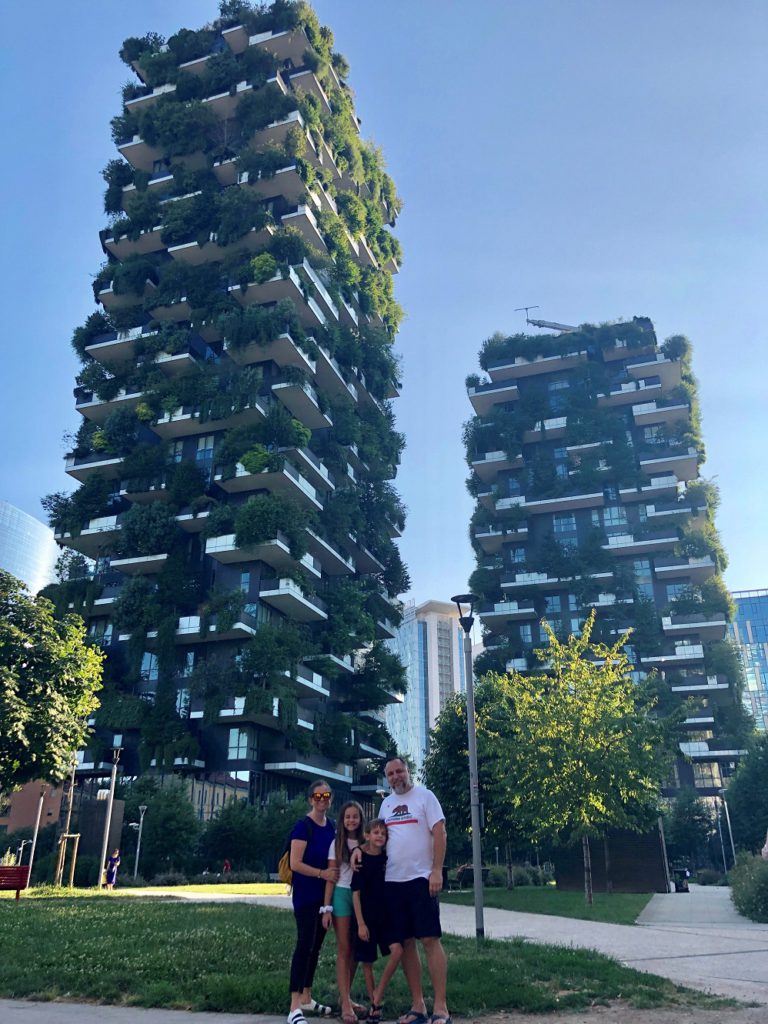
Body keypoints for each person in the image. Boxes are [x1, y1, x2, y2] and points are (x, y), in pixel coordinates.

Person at [377, 757, 450, 1024]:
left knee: (430, 940)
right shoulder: (385, 805)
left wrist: (437, 870)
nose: (396, 776)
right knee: (406, 943)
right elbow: (379, 841)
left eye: (400, 771)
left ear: (408, 771)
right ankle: (418, 1005)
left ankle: (440, 1007)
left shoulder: (425, 797)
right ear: (387, 778)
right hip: (393, 882)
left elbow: (440, 832)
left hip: (422, 879)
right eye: (391, 773)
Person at [287, 779, 339, 1024]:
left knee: (315, 948)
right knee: (304, 946)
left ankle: (307, 997)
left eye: (326, 795)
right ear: (311, 800)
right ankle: (294, 1006)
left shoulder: (332, 826)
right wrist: (321, 874)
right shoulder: (303, 827)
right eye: (318, 796)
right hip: (307, 896)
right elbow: (294, 864)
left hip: (325, 897)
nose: (323, 799)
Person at [351, 818, 403, 1022]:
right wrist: (361, 923)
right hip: (366, 918)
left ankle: (378, 994)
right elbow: (355, 893)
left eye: (383, 833)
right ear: (367, 835)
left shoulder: (387, 859)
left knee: (397, 950)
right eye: (375, 832)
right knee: (367, 961)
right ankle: (375, 1006)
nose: (379, 836)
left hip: (386, 916)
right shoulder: (361, 859)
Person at [321, 801, 366, 1024]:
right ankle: (346, 1005)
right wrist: (326, 908)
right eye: (347, 816)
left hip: (361, 896)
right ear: (342, 819)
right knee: (344, 949)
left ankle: (344, 997)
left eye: (355, 816)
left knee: (357, 949)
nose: (351, 820)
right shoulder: (336, 843)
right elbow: (331, 876)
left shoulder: (366, 841)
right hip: (341, 894)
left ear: (360, 819)